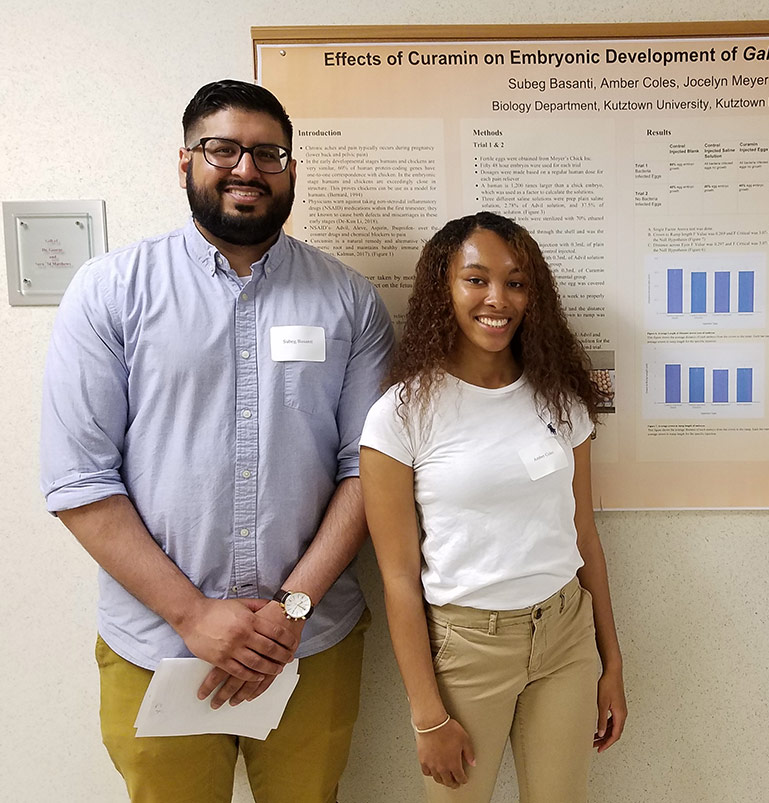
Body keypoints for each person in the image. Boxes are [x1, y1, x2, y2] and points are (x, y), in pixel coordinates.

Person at [40, 79, 393, 803]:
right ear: (184, 162)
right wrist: (194, 615)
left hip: (309, 641)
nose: (246, 169)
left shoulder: (349, 301)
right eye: (222, 148)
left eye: (268, 153)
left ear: (291, 169)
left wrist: (288, 611)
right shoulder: (110, 291)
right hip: (159, 645)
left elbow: (369, 470)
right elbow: (79, 481)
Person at [360, 211, 626, 802]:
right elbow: (399, 578)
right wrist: (427, 715)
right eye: (476, 279)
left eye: (516, 282)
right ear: (442, 289)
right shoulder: (401, 415)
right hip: (466, 649)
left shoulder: (561, 396)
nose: (497, 299)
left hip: (564, 640)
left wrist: (612, 664)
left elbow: (585, 537)